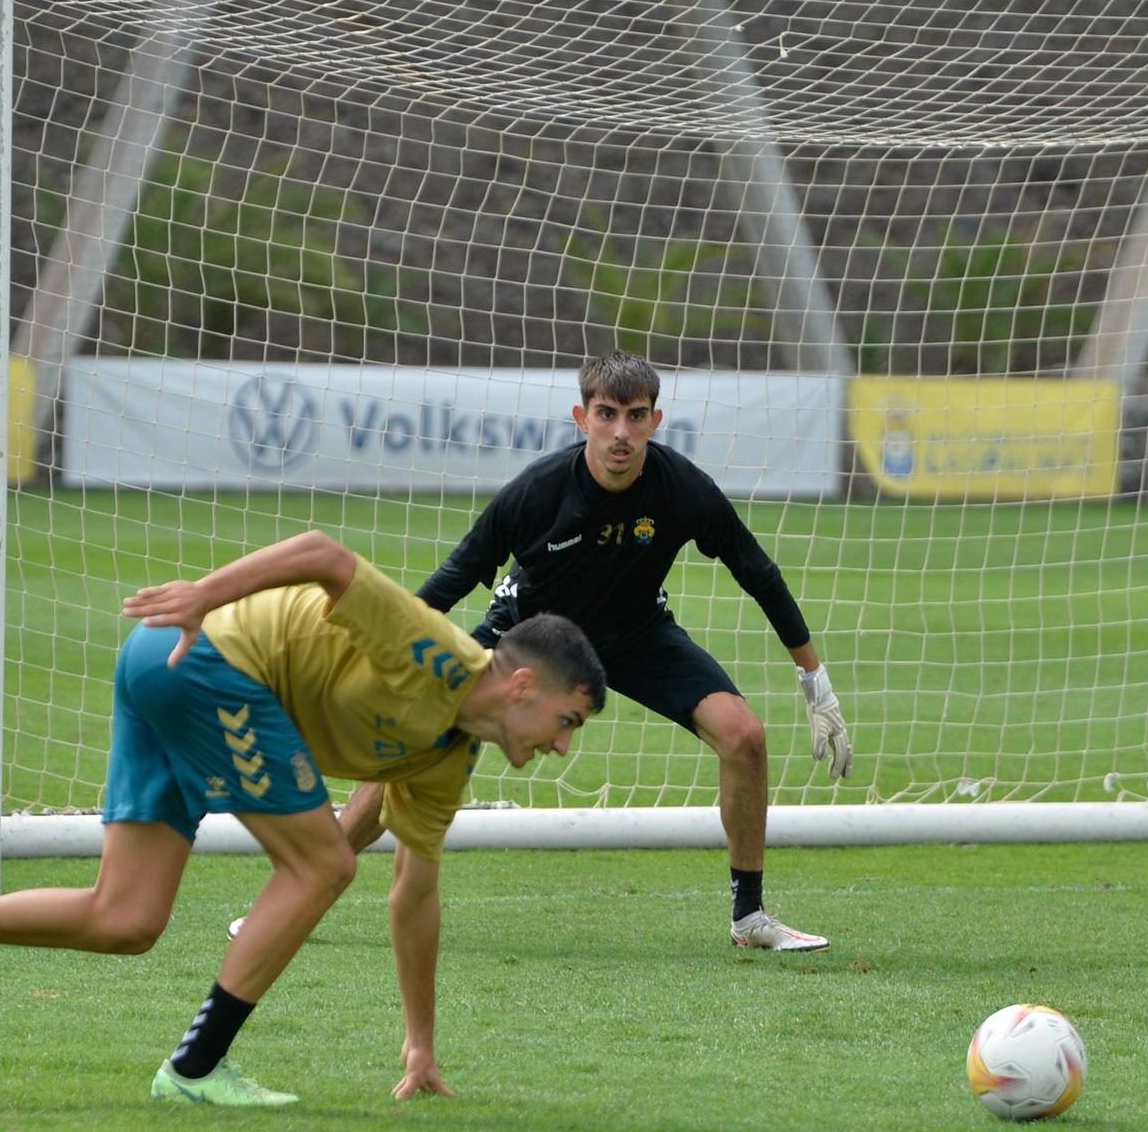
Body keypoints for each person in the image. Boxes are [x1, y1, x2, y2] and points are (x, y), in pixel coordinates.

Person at [0, 530, 606, 1105]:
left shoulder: (446, 761)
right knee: (324, 862)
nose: (563, 748)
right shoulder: (442, 655)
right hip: (200, 657)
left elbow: (415, 895)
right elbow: (326, 554)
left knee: (126, 917)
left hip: (172, 678)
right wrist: (205, 594)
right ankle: (194, 1070)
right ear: (525, 685)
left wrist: (421, 1043)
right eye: (569, 722)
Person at [344, 351, 850, 951]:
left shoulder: (682, 488)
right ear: (581, 417)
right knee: (417, 744)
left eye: (636, 417)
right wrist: (393, 653)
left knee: (744, 736)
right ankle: (311, 879)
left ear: (655, 421)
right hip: (528, 637)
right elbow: (455, 576)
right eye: (607, 415)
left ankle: (750, 917)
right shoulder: (536, 492)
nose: (621, 433)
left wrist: (814, 680)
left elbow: (757, 572)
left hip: (636, 634)